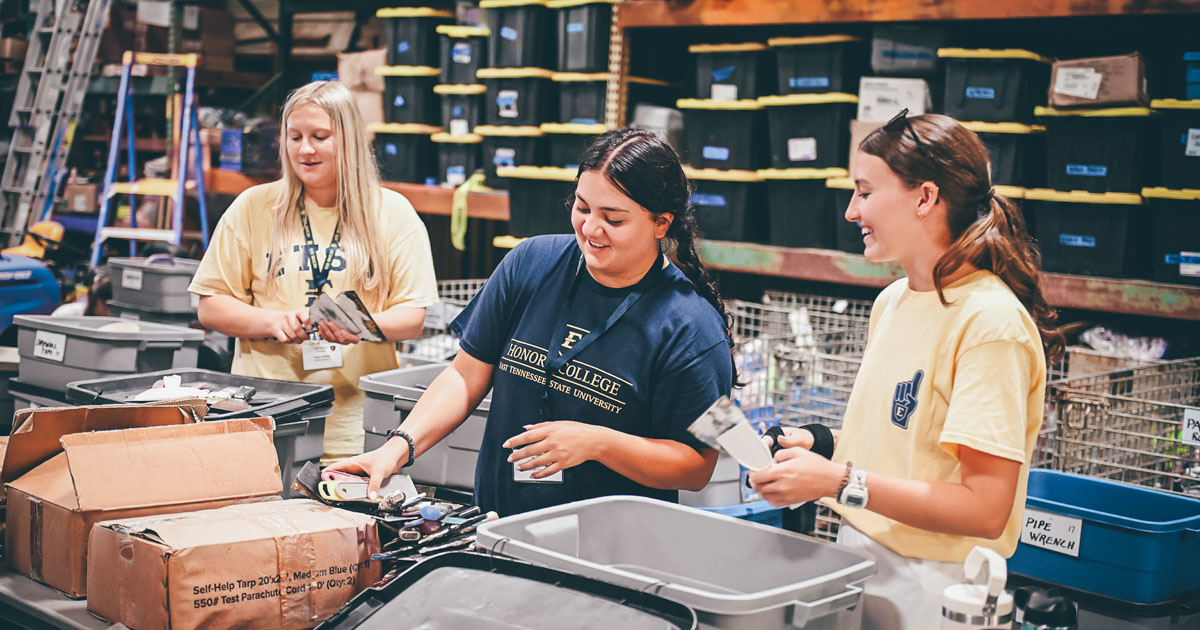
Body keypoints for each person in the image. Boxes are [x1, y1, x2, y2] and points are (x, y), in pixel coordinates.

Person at [748, 110, 1066, 629]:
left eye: (866, 192)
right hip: (861, 553)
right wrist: (820, 446)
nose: (852, 211)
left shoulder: (990, 324)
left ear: (925, 198)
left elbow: (984, 507)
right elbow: (909, 442)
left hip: (939, 585)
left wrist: (837, 479)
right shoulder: (894, 300)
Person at [328, 128, 737, 516]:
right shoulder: (531, 263)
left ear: (660, 224)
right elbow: (465, 376)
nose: (590, 228)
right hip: (496, 523)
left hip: (603, 551)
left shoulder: (691, 327)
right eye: (582, 207)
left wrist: (598, 443)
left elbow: (697, 466)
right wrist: (397, 448)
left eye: (613, 219)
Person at [190, 80, 438, 463]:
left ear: (350, 139)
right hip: (264, 420)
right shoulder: (254, 207)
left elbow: (412, 317)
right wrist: (272, 321)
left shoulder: (392, 212)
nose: (305, 149)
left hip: (356, 429)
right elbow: (210, 306)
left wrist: (359, 327)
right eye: (295, 136)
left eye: (320, 136)